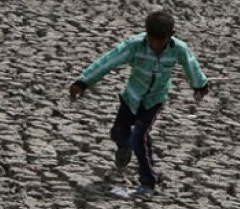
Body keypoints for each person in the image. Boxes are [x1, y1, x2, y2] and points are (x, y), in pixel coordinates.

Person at [69, 10, 209, 196]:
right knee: (118, 133)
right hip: (132, 97)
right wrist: (83, 82)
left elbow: (191, 66)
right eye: (152, 40)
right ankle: (125, 147)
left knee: (139, 138)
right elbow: (108, 61)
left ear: (171, 34)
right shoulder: (134, 46)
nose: (156, 45)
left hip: (154, 100)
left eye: (161, 41)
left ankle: (148, 183)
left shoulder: (179, 49)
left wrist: (200, 85)